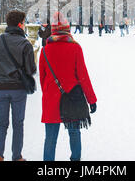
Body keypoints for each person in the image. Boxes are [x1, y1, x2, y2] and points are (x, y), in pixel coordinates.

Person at [39, 12, 97, 161]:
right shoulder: (75, 48)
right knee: (74, 134)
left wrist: (49, 92)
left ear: (52, 30)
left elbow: (42, 78)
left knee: (50, 138)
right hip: (71, 98)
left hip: (51, 100)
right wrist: (91, 99)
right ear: (67, 29)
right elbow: (83, 76)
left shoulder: (45, 51)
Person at [0, 10, 37, 161]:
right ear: (20, 24)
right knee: (18, 124)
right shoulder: (24, 43)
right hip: (18, 89)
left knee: (1, 124)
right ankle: (17, 156)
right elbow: (31, 70)